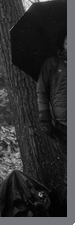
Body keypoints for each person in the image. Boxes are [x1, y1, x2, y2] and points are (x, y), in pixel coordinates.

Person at [36, 30, 67, 170]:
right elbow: (41, 92)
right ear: (63, 43)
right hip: (63, 124)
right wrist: (45, 119)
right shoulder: (51, 64)